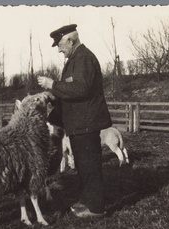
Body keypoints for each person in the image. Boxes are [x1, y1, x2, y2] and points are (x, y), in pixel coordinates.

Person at [38, 24, 112, 218]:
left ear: (71, 41)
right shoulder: (75, 60)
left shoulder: (84, 58)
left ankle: (96, 208)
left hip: (86, 123)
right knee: (82, 165)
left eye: (61, 44)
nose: (59, 49)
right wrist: (53, 95)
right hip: (78, 123)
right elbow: (70, 92)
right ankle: (86, 200)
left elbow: (81, 89)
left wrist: (53, 84)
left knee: (90, 167)